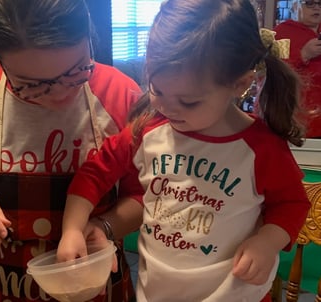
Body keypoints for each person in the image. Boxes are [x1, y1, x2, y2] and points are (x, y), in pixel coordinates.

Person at [56, 0, 312, 301]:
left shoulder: (262, 148)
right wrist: (73, 228)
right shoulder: (147, 132)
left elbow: (292, 204)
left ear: (240, 83)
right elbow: (94, 173)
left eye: (188, 101)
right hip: (157, 293)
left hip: (234, 293)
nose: (166, 107)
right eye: (157, 90)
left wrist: (267, 242)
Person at [0, 0, 144, 301]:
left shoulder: (121, 94)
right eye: (32, 85)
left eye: (77, 71)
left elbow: (146, 195)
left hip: (96, 283)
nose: (61, 96)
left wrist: (103, 225)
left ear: (89, 38)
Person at [274, 0, 321, 138]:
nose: (317, 8)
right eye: (310, 3)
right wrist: (303, 55)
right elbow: (267, 73)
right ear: (295, 6)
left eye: (320, 4)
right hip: (296, 120)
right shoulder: (280, 34)